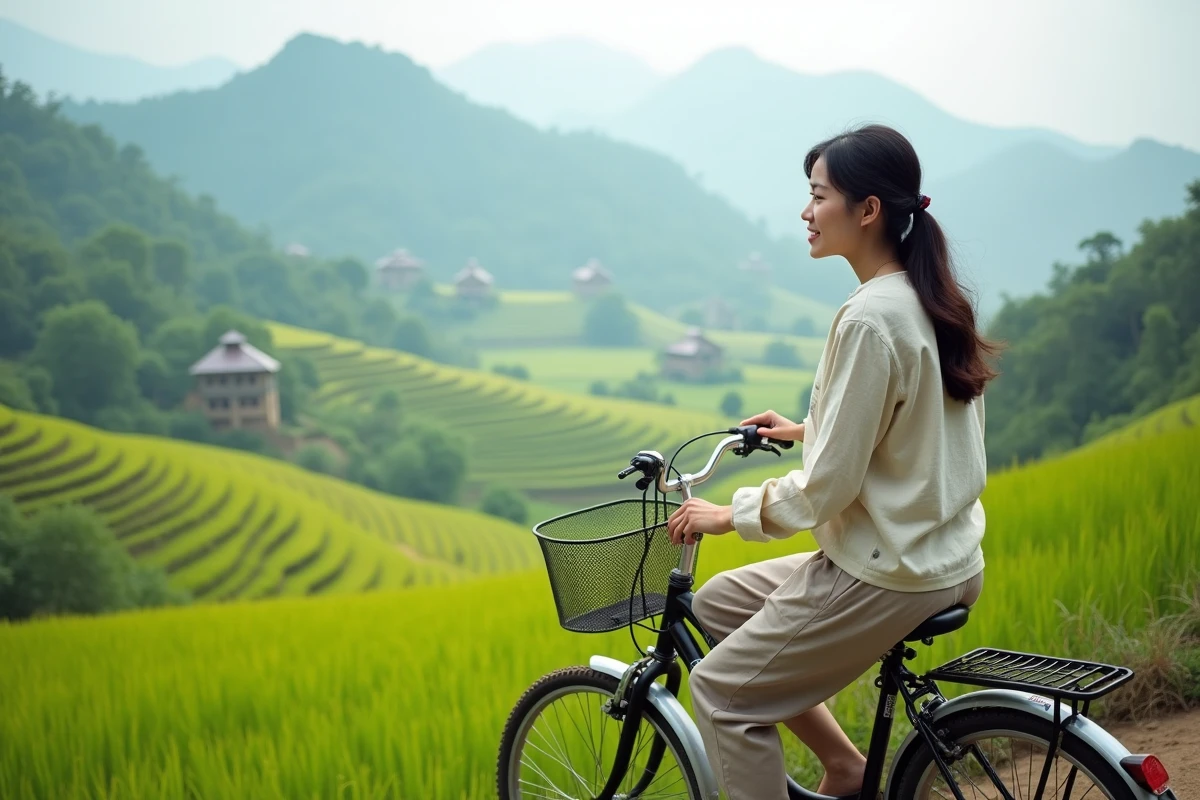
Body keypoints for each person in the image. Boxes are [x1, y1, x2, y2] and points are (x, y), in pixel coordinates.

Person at [664, 123, 1002, 799]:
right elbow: (901, 424)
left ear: (867, 210)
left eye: (818, 196)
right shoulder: (920, 296)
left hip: (889, 567)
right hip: (936, 553)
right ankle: (848, 769)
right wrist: (802, 429)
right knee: (720, 603)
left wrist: (726, 515)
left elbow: (827, 488)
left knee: (723, 694)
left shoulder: (871, 317)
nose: (806, 212)